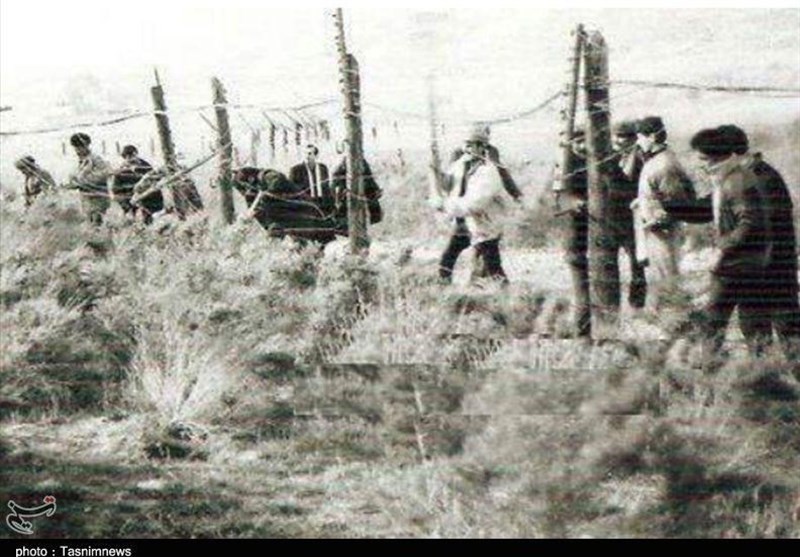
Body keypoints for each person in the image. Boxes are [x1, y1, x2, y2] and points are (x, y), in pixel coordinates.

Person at [688, 125, 799, 362]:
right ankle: (764, 378)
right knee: (755, 327)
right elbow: (708, 207)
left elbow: (756, 226)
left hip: (773, 267)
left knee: (786, 329)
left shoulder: (759, 178)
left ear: (731, 154)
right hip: (757, 266)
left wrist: (724, 249)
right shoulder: (747, 176)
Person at [630, 116, 696, 308]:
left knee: (667, 280)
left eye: (640, 137)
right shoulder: (657, 161)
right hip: (655, 231)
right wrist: (642, 201)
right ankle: (670, 318)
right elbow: (657, 193)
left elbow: (677, 202)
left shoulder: (664, 164)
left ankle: (676, 320)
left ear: (652, 137)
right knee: (659, 278)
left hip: (663, 232)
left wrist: (658, 220)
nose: (638, 142)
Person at [430, 128, 510, 285]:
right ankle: (443, 290)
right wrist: (436, 174)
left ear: (482, 147)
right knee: (447, 259)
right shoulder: (460, 165)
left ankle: (509, 293)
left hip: (484, 224)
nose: (467, 149)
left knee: (492, 266)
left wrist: (445, 206)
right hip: (464, 223)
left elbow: (475, 203)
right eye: (466, 144)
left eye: (471, 145)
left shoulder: (488, 172)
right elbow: (449, 184)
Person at [555, 126, 592, 337]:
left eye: (585, 140)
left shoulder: (597, 161)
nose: (582, 146)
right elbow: (559, 198)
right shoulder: (565, 166)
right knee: (581, 287)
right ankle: (582, 330)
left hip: (600, 238)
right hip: (576, 236)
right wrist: (574, 202)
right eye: (578, 142)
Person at [609, 120, 648, 309]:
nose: (618, 140)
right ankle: (611, 302)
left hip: (633, 214)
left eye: (623, 136)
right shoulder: (611, 156)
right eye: (616, 136)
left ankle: (637, 302)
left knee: (637, 260)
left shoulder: (641, 157)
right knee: (610, 260)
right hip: (614, 214)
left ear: (633, 138)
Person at [66, 133, 112, 225]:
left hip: (98, 198)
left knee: (97, 223)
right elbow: (76, 177)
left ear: (86, 146)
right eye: (75, 148)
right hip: (86, 198)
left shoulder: (96, 159)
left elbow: (105, 173)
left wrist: (83, 182)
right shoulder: (81, 161)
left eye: (79, 148)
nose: (77, 151)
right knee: (90, 223)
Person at [112, 145, 163, 224]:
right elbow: (117, 191)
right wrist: (127, 207)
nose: (130, 159)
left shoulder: (146, 167)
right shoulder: (120, 172)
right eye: (127, 157)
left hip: (148, 202)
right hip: (131, 203)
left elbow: (155, 185)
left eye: (132, 156)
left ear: (136, 154)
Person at [289, 144, 332, 209]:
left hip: (322, 203)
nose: (307, 156)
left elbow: (327, 188)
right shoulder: (296, 170)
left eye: (309, 154)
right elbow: (292, 191)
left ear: (316, 156)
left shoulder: (323, 168)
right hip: (305, 205)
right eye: (305, 153)